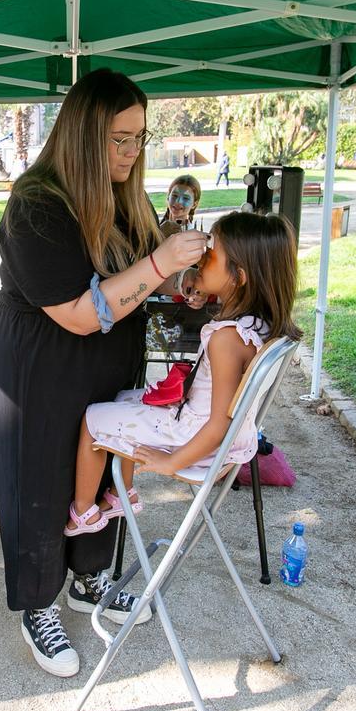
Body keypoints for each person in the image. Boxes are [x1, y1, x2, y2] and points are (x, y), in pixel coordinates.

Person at [0, 68, 207, 678]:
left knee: (106, 461)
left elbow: (143, 270)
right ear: (84, 135)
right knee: (42, 471)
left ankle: (90, 579)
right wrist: (160, 259)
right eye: (119, 139)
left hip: (108, 355)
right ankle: (37, 602)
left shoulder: (122, 193)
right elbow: (81, 315)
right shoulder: (36, 203)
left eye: (140, 138)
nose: (133, 153)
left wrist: (179, 279)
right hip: (43, 358)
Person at [66, 212, 301, 533]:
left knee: (93, 419)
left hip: (195, 436)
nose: (201, 258)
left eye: (211, 254)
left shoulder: (226, 340)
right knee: (123, 397)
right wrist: (206, 287)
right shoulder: (256, 325)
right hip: (224, 438)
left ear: (238, 277)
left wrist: (170, 463)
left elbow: (219, 423)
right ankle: (123, 493)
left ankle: (84, 513)